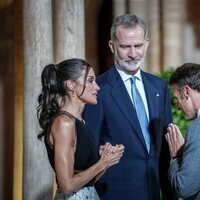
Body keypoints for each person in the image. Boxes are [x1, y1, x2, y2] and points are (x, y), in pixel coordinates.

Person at [83, 14, 177, 199]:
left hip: (153, 193)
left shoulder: (158, 86)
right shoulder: (98, 90)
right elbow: (90, 151)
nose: (133, 54)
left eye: (138, 46)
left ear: (147, 43)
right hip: (113, 194)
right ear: (112, 46)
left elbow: (165, 150)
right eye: (125, 47)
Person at [37, 58, 125, 200]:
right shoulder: (64, 123)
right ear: (71, 85)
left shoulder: (80, 121)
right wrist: (102, 163)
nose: (97, 87)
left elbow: (88, 181)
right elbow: (66, 185)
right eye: (90, 80)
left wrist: (106, 159)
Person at [165, 63, 200, 200]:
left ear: (186, 91)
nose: (178, 107)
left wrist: (176, 157)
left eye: (177, 99)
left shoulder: (197, 128)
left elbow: (184, 188)